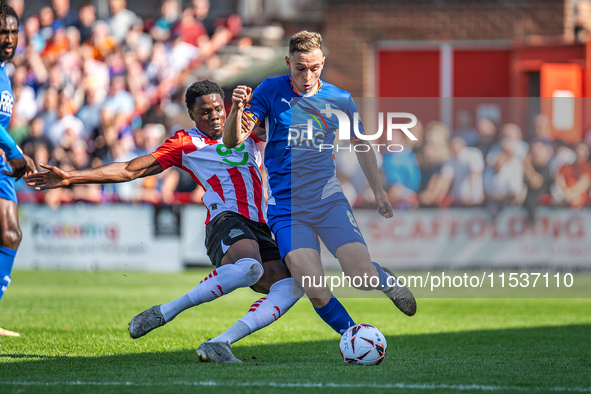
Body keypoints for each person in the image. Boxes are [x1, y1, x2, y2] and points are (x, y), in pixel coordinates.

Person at [25, 80, 302, 362]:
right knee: (249, 268)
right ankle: (166, 311)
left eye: (218, 108)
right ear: (192, 115)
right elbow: (131, 169)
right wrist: (73, 177)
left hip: (260, 224)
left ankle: (219, 342)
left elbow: (285, 125)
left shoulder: (246, 130)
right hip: (224, 219)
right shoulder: (186, 142)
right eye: (204, 112)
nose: (214, 116)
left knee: (293, 285)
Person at [223, 31, 416, 337]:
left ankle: (382, 278)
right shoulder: (270, 91)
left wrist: (378, 192)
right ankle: (354, 336)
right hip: (286, 208)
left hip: (328, 201)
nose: (307, 75)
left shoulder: (340, 99)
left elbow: (362, 144)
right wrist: (236, 109)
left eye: (314, 68)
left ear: (323, 63)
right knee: (313, 285)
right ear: (288, 63)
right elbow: (234, 140)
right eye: (300, 68)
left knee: (361, 277)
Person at [0, 3, 37, 337]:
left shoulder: (4, 71)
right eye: (3, 31)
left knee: (10, 233)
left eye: (13, 31)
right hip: (4, 156)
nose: (9, 38)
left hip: (0, 165)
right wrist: (16, 150)